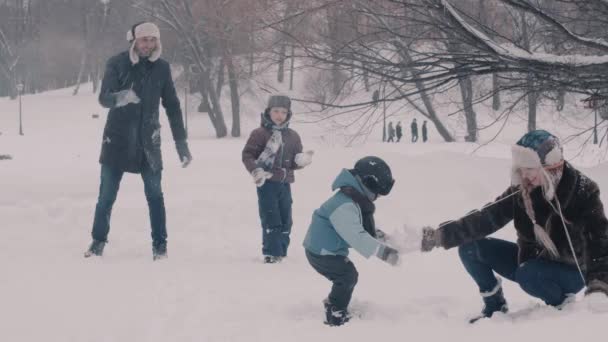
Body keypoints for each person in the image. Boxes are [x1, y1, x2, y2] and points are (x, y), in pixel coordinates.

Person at [420, 130, 608, 323]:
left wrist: (598, 285)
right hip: (531, 264)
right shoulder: (522, 191)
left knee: (528, 273)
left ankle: (561, 303)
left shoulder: (582, 192)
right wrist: (440, 236)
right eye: (521, 169)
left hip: (570, 272)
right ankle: (495, 306)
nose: (524, 175)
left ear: (549, 166)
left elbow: (599, 241)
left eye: (529, 169)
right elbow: (487, 217)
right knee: (470, 248)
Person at [84, 22, 192, 260]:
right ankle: (98, 241)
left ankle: (160, 246)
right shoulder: (117, 63)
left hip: (148, 143)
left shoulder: (162, 68)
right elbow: (103, 98)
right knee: (106, 196)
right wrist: (121, 97)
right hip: (117, 140)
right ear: (134, 41)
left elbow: (173, 107)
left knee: (155, 196)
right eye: (144, 40)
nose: (148, 45)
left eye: (153, 40)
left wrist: (181, 144)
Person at [303, 156, 400, 326]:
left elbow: (360, 227)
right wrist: (383, 253)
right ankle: (335, 309)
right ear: (368, 183)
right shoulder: (344, 206)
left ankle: (335, 302)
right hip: (321, 252)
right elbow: (357, 236)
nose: (377, 197)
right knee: (347, 276)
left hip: (328, 249)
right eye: (377, 193)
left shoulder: (352, 199)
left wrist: (382, 237)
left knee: (347, 276)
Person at [242, 95, 313, 264]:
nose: (279, 115)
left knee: (286, 219)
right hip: (266, 182)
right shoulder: (259, 133)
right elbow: (248, 155)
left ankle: (282, 251)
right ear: (268, 111)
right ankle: (271, 254)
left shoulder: (293, 136)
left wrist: (301, 161)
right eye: (276, 111)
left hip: (285, 183)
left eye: (283, 112)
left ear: (288, 114)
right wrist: (255, 170)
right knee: (271, 218)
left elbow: (296, 158)